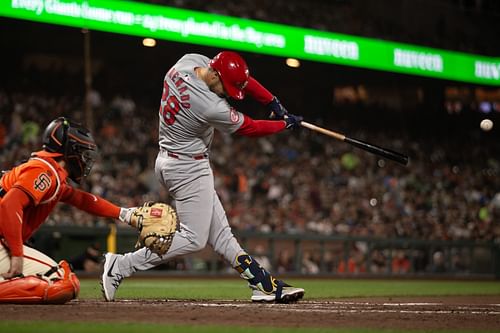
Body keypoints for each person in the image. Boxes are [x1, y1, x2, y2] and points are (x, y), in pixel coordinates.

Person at [101, 51, 305, 303]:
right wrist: (283, 125)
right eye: (226, 87)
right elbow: (249, 127)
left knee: (221, 236)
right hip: (187, 168)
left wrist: (272, 101)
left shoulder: (189, 61)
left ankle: (261, 283)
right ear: (215, 74)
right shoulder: (210, 105)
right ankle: (121, 265)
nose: (229, 93)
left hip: (171, 159)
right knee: (194, 239)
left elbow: (241, 80)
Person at [0, 117, 133, 304]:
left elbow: (83, 200)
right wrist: (17, 254)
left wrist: (126, 214)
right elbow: (9, 204)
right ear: (70, 151)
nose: (85, 160)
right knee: (63, 282)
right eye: (83, 153)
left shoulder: (49, 171)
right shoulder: (44, 170)